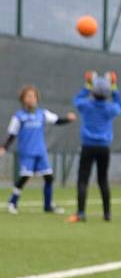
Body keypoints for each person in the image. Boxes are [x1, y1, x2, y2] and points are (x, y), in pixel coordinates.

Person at [2, 85, 76, 214]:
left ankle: (48, 206)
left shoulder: (42, 114)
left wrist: (68, 119)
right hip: (27, 152)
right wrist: (4, 147)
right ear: (23, 99)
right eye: (29, 96)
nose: (32, 99)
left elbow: (57, 120)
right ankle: (12, 202)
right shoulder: (19, 117)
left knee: (49, 177)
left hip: (40, 152)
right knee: (25, 176)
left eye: (34, 96)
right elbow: (12, 134)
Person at [67, 72, 121, 223]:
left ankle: (81, 213)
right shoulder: (110, 108)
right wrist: (114, 85)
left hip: (88, 146)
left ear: (92, 92)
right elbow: (120, 105)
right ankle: (107, 214)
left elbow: (77, 100)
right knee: (103, 179)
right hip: (104, 147)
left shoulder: (86, 106)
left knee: (83, 179)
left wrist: (88, 84)